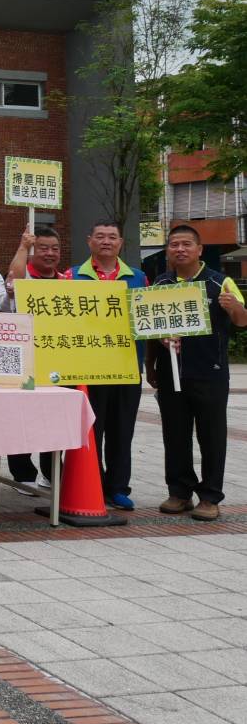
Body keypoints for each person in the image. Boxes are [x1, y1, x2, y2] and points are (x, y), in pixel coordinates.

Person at [148, 224, 246, 522]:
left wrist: (233, 308)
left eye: (186, 244)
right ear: (168, 250)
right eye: (174, 244)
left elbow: (243, 321)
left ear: (199, 249)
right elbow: (151, 330)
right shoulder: (160, 285)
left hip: (210, 372)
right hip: (171, 373)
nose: (180, 249)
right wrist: (151, 366)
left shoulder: (220, 282)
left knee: (212, 436)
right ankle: (179, 492)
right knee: (174, 434)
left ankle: (210, 496)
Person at [73, 220, 149, 510]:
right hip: (87, 368)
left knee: (122, 430)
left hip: (126, 367)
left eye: (112, 237)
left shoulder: (139, 278)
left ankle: (118, 487)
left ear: (121, 243)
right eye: (100, 236)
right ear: (89, 240)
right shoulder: (72, 277)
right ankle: (92, 484)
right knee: (92, 429)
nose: (106, 241)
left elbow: (147, 322)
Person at [0, 225, 71, 496]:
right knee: (21, 421)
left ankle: (51, 474)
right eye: (43, 248)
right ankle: (22, 474)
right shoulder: (24, 277)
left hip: (57, 361)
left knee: (55, 422)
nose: (50, 253)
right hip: (22, 362)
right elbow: (13, 280)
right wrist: (23, 246)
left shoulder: (67, 281)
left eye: (55, 248)